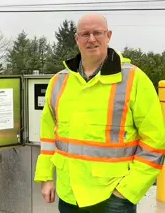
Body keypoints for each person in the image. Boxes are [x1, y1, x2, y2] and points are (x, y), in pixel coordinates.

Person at [34, 13, 165, 213]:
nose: (92, 39)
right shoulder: (59, 81)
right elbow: (48, 136)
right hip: (69, 195)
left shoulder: (134, 79)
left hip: (113, 198)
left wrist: (128, 191)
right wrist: (45, 177)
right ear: (77, 39)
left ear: (109, 35)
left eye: (98, 32)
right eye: (85, 34)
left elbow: (155, 141)